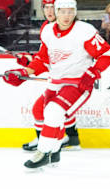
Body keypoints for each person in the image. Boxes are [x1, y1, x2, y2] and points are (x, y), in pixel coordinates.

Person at [2, 0, 110, 169]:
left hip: (78, 85)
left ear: (75, 12)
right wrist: (23, 73)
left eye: (71, 11)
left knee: (54, 110)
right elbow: (42, 60)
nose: (67, 16)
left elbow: (108, 55)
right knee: (42, 110)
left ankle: (44, 152)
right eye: (62, 11)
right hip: (56, 83)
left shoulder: (84, 31)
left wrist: (93, 73)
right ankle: (53, 152)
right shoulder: (48, 31)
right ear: (56, 12)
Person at [18, 0, 82, 152]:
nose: (49, 11)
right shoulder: (46, 28)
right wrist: (29, 61)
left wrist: (32, 64)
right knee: (56, 109)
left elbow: (58, 58)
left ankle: (45, 143)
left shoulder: (73, 29)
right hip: (59, 78)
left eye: (52, 7)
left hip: (71, 79)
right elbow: (46, 57)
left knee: (41, 109)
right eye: (45, 7)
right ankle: (72, 139)